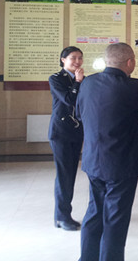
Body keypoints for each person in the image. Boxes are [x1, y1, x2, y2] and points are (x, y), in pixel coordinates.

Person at [76, 43, 138, 261]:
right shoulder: (135, 87)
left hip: (94, 159)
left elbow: (80, 112)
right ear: (130, 62)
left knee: (94, 212)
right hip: (122, 163)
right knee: (116, 218)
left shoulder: (88, 83)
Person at [49, 46, 85, 231]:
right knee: (64, 175)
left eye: (80, 58)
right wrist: (78, 82)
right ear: (63, 60)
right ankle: (62, 217)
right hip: (61, 132)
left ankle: (61, 216)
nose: (77, 61)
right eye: (73, 58)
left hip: (76, 131)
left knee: (70, 174)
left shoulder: (84, 79)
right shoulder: (56, 79)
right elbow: (69, 99)